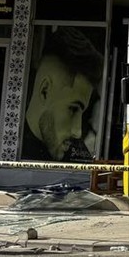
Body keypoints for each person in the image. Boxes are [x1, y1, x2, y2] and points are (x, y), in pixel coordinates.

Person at [23, 27, 104, 162]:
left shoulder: (70, 148)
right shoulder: (12, 145)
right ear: (45, 91)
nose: (77, 132)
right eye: (72, 109)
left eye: (81, 112)